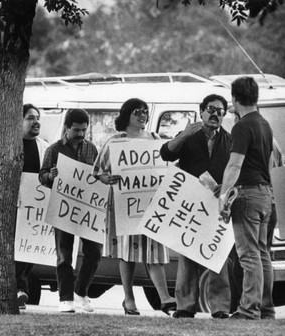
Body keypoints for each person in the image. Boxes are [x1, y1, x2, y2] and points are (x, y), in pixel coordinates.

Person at [92, 98, 176, 316]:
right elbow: (98, 171)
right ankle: (129, 299)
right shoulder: (116, 142)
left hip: (150, 204)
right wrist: (106, 178)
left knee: (154, 251)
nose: (143, 115)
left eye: (145, 112)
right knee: (126, 252)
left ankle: (165, 298)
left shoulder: (156, 140)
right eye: (138, 111)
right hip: (124, 204)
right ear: (126, 115)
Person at [160, 94, 232, 319]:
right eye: (211, 109)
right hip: (189, 205)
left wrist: (227, 187)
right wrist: (184, 135)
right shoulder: (189, 136)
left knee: (216, 256)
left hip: (216, 207)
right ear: (201, 111)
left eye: (220, 111)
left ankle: (220, 308)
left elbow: (236, 170)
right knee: (187, 255)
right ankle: (185, 306)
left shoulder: (229, 140)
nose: (215, 114)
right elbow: (166, 153)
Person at [0, 103, 49, 309]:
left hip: (34, 213)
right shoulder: (4, 148)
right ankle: (18, 291)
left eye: (38, 117)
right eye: (30, 118)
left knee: (30, 252)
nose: (36, 122)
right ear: (18, 121)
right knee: (13, 252)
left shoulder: (44, 148)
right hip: (11, 211)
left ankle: (20, 291)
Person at [218, 76, 275, 320]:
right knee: (262, 253)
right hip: (265, 193)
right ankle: (265, 307)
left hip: (247, 193)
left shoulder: (242, 126)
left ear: (234, 98)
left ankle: (248, 309)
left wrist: (223, 195)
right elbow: (274, 160)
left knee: (248, 254)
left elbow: (234, 164)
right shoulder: (264, 123)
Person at [39, 108, 101, 313]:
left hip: (87, 209)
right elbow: (42, 176)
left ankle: (80, 292)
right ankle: (65, 299)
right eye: (76, 130)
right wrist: (51, 176)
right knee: (64, 255)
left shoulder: (92, 149)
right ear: (66, 127)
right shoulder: (53, 149)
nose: (81, 134)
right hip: (63, 208)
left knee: (94, 252)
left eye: (84, 130)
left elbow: (97, 175)